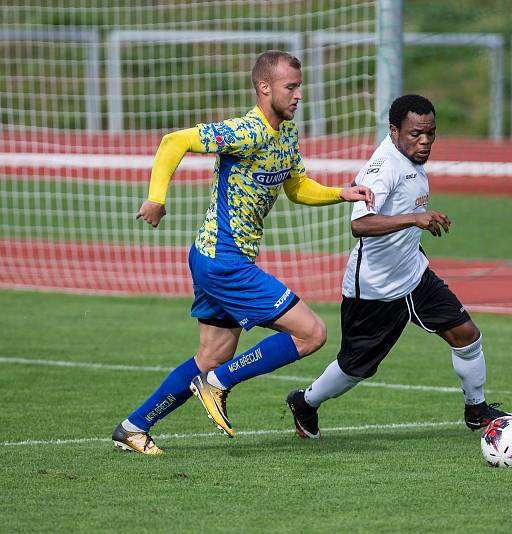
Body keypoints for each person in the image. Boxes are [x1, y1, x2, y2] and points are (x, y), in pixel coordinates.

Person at [112, 50, 374, 455]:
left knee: (213, 354)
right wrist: (156, 198)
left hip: (217, 259)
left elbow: (296, 187)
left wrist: (340, 192)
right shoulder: (244, 132)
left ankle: (133, 427)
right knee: (312, 334)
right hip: (223, 260)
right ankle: (217, 385)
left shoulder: (287, 134)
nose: (299, 94)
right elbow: (173, 142)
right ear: (264, 88)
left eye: (300, 86)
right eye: (291, 86)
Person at [285, 94, 512, 439]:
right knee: (355, 369)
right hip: (375, 289)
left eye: (431, 134)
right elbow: (360, 225)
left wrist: (414, 232)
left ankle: (476, 409)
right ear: (393, 130)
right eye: (415, 134)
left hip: (414, 276)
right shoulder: (384, 168)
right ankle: (305, 402)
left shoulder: (408, 157)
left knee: (467, 336)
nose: (424, 142)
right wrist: (416, 218)